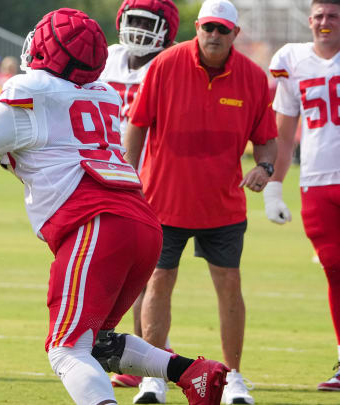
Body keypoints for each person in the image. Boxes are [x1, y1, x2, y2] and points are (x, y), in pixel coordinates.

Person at [0, 7, 229, 405]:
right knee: (96, 343)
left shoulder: (31, 90)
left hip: (95, 225)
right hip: (141, 223)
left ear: (44, 48)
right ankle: (192, 373)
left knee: (66, 349)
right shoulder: (104, 94)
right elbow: (52, 148)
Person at [123, 0, 278, 403]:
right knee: (158, 281)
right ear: (197, 27)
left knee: (229, 285)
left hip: (223, 205)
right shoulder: (165, 65)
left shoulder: (253, 78)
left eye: (222, 30)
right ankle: (153, 377)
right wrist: (127, 180)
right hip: (162, 199)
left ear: (235, 35)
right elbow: (137, 126)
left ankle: (234, 378)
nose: (214, 35)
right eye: (208, 27)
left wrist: (264, 167)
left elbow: (267, 138)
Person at [99, 0, 179, 389]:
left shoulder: (170, 65)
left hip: (150, 178)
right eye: (132, 20)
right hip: (101, 175)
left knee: (142, 275)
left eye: (148, 22)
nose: (138, 29)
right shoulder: (107, 58)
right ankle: (142, 354)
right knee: (121, 272)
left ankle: (144, 357)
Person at [265, 0, 340, 392]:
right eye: (319, 16)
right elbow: (284, 126)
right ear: (309, 20)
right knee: (334, 270)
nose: (325, 23)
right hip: (315, 180)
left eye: (333, 16)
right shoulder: (292, 60)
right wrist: (275, 185)